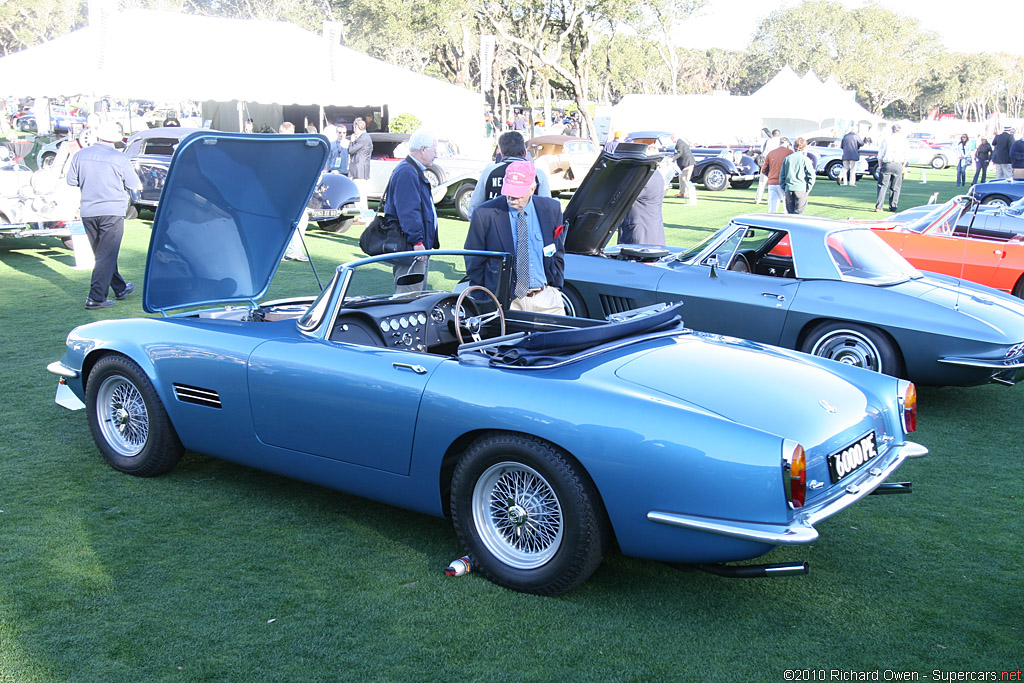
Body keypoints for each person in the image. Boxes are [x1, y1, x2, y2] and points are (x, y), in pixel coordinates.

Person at [465, 160, 565, 315]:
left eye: (517, 193)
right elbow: (474, 261)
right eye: (509, 191)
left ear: (532, 189)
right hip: (506, 303)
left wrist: (557, 286)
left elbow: (557, 250)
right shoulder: (485, 214)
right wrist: (484, 299)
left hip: (547, 300)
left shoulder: (551, 209)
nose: (512, 198)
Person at [66, 122, 143, 310]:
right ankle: (96, 298)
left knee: (103, 254)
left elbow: (71, 181)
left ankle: (120, 288)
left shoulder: (80, 155)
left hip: (88, 211)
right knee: (106, 255)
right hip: (112, 211)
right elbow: (134, 184)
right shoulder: (119, 158)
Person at [382, 129, 440, 291]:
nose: (435, 155)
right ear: (423, 149)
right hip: (410, 246)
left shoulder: (409, 170)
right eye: (434, 150)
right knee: (409, 297)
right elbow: (409, 211)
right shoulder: (407, 172)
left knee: (414, 294)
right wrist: (418, 241)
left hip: (413, 245)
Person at [467, 131, 551, 218]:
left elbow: (473, 209)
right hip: (528, 226)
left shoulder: (489, 172)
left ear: (502, 154)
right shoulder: (537, 174)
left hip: (495, 225)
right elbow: (547, 208)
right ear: (524, 153)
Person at [618, 144, 666, 245]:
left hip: (640, 233)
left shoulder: (645, 177)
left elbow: (621, 197)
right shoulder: (655, 174)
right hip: (651, 230)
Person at [277, 122, 310, 262]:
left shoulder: (297, 151)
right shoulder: (276, 150)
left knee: (302, 220)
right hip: (280, 193)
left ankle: (294, 251)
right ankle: (280, 253)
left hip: (295, 193)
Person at [875, 124, 909, 212]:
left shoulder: (886, 139)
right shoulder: (904, 141)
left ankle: (879, 206)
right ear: (900, 130)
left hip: (887, 163)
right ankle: (893, 206)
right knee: (896, 187)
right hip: (898, 164)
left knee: (882, 186)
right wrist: (903, 166)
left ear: (892, 130)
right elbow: (906, 156)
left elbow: (880, 155)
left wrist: (880, 165)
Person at [779, 137, 815, 215]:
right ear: (804, 147)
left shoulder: (787, 159)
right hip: (800, 188)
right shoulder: (805, 159)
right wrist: (807, 189)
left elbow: (782, 176)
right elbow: (811, 176)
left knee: (790, 214)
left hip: (789, 189)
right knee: (798, 214)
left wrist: (784, 187)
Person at [760, 137, 793, 214]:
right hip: (784, 183)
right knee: (787, 208)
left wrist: (770, 176)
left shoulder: (771, 153)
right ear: (787, 143)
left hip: (772, 182)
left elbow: (764, 169)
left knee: (772, 208)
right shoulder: (790, 152)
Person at [348, 117, 372, 212]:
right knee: (361, 194)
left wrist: (352, 141)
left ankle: (362, 215)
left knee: (360, 194)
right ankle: (362, 215)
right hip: (360, 169)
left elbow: (351, 150)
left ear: (356, 128)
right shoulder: (365, 137)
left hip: (359, 169)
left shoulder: (363, 138)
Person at [755, 129, 781, 202]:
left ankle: (757, 199)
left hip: (765, 163)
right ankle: (769, 200)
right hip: (775, 164)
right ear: (779, 135)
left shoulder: (767, 141)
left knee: (762, 183)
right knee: (771, 183)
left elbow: (761, 150)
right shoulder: (779, 142)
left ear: (772, 134)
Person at [672, 133, 696, 204]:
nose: (671, 139)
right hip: (687, 163)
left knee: (685, 179)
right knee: (681, 177)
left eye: (672, 137)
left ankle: (686, 193)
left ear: (675, 137)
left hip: (687, 163)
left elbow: (679, 153)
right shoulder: (680, 142)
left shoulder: (679, 143)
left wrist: (672, 158)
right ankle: (682, 192)